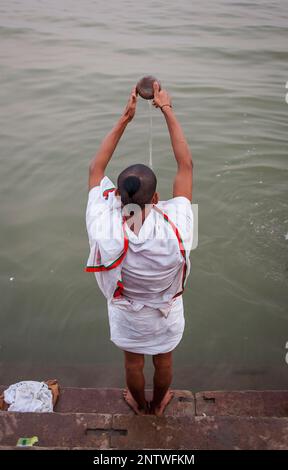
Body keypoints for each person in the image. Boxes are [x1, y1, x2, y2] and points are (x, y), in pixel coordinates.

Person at [85, 81, 193, 416]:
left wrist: (124, 118)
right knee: (164, 362)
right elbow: (186, 166)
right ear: (157, 200)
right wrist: (166, 109)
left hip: (128, 314)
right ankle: (158, 405)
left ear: (116, 197)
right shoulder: (179, 227)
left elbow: (95, 170)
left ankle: (139, 403)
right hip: (164, 313)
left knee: (133, 365)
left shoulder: (105, 227)